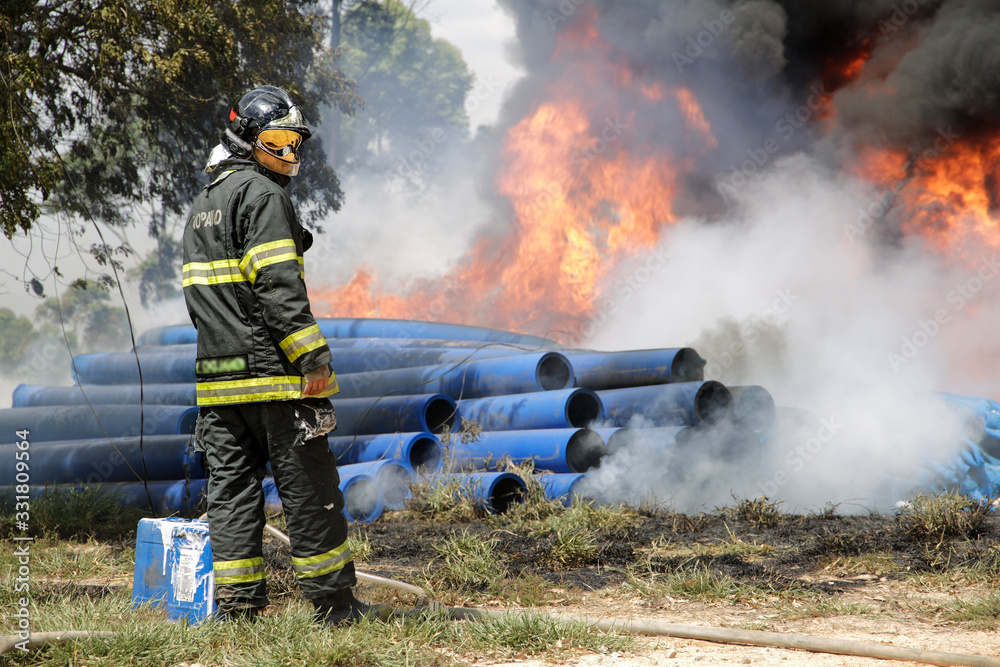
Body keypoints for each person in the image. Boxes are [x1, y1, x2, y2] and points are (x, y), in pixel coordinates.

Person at [182, 85, 392, 625]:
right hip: (274, 379)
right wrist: (312, 358)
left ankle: (238, 609)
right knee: (309, 489)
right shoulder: (263, 196)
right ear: (247, 138)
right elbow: (278, 286)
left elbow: (201, 301)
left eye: (294, 142)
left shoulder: (204, 204)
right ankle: (334, 606)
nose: (288, 152)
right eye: (277, 140)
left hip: (218, 380)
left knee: (231, 494)